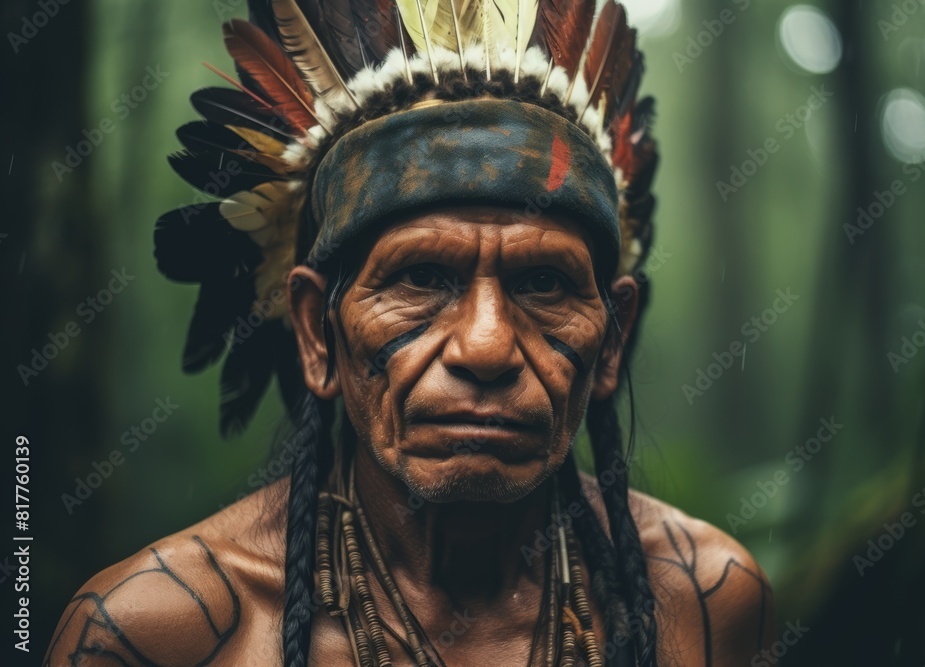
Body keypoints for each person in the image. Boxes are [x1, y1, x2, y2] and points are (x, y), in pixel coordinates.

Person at [45, 1, 774, 664]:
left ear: (611, 341)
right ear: (316, 333)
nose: (485, 347)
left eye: (544, 283)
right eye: (421, 277)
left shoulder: (705, 604)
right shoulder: (158, 634)